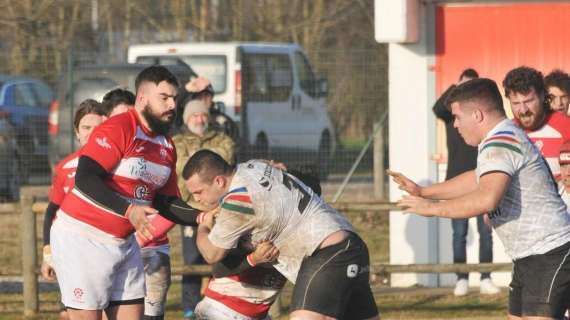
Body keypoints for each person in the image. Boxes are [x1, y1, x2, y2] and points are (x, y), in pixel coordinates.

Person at [389, 78, 570, 320]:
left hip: (550, 252)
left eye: (457, 117)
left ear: (476, 115)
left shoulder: (502, 141)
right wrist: (423, 191)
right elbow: (476, 179)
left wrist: (431, 208)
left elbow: (486, 199)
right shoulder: (498, 139)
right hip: (529, 256)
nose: (454, 124)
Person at [50, 66, 204, 320]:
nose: (172, 105)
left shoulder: (166, 145)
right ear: (142, 99)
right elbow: (85, 178)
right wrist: (129, 210)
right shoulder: (119, 127)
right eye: (164, 98)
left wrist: (201, 217)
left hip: (124, 243)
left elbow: (166, 202)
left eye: (174, 98)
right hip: (82, 239)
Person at [183, 150, 379, 320]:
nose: (197, 199)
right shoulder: (253, 166)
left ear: (218, 181)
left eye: (199, 192)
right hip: (350, 244)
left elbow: (212, 255)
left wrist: (203, 225)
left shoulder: (238, 201)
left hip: (327, 252)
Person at [194, 167, 321, 320]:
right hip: (223, 310)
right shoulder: (255, 224)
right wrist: (254, 258)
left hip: (257, 315)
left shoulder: (305, 233)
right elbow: (219, 269)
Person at [432, 68, 498, 296]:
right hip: (456, 180)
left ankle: (486, 276)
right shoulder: (453, 113)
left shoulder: (479, 116)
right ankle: (461, 277)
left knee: (486, 232)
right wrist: (457, 88)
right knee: (458, 233)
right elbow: (437, 107)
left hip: (481, 179)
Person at [41, 99, 107, 320]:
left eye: (98, 127)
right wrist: (48, 253)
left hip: (112, 254)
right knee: (69, 313)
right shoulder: (65, 167)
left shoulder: (120, 166)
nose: (92, 133)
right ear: (77, 133)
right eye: (86, 128)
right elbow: (52, 212)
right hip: (75, 257)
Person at [172, 98, 236, 319]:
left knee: (222, 255)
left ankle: (218, 301)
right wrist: (202, 160)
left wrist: (195, 159)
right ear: (187, 118)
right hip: (191, 209)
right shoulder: (177, 141)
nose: (199, 119)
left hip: (219, 209)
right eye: (194, 115)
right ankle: (189, 306)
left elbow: (222, 159)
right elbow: (180, 168)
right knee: (192, 258)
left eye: (203, 115)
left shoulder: (222, 138)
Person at [503, 66, 570, 181]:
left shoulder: (565, 126)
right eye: (516, 103)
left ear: (543, 96)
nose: (523, 110)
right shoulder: (506, 132)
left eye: (528, 101)